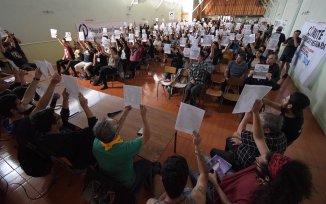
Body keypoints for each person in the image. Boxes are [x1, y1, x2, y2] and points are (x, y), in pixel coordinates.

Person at [208, 100, 313, 204]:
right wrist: (255, 112)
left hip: (228, 181)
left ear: (266, 178)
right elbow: (259, 138)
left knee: (212, 159)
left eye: (259, 161)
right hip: (233, 179)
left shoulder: (253, 196)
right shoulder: (282, 138)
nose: (258, 158)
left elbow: (245, 135)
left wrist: (216, 184)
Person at [92, 105, 152, 192]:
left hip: (107, 176)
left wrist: (125, 113)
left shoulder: (96, 141)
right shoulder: (124, 149)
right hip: (126, 183)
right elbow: (146, 136)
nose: (117, 121)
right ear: (116, 134)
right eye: (115, 122)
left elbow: (114, 130)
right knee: (148, 163)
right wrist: (144, 116)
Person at [30, 92, 97, 169]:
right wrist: (85, 107)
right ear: (53, 125)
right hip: (80, 160)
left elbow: (63, 119)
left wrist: (65, 99)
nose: (60, 117)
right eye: (57, 118)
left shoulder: (41, 133)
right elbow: (94, 127)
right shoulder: (66, 138)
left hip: (69, 154)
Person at [211, 111, 287, 170]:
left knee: (214, 151)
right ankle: (227, 156)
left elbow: (238, 133)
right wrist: (242, 141)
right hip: (255, 156)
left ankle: (224, 168)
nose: (254, 124)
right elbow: (255, 145)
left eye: (257, 123)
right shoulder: (282, 135)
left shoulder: (262, 139)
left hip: (244, 165)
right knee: (230, 140)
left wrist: (246, 116)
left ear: (267, 130)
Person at [146, 131, 207, 204]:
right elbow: (203, 174)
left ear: (162, 179)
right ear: (186, 180)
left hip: (166, 195)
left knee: (155, 168)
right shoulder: (198, 198)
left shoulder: (151, 202)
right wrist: (197, 146)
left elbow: (152, 200)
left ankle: (156, 168)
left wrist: (161, 198)